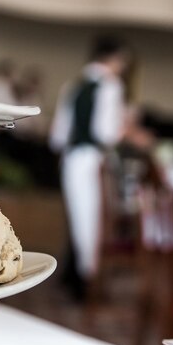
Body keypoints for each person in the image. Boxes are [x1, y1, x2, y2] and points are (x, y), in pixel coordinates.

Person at [49, 36, 131, 300]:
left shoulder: (73, 86)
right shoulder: (110, 86)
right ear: (114, 58)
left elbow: (58, 136)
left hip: (71, 159)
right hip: (93, 160)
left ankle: (75, 278)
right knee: (92, 221)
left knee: (77, 219)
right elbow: (105, 133)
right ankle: (87, 282)